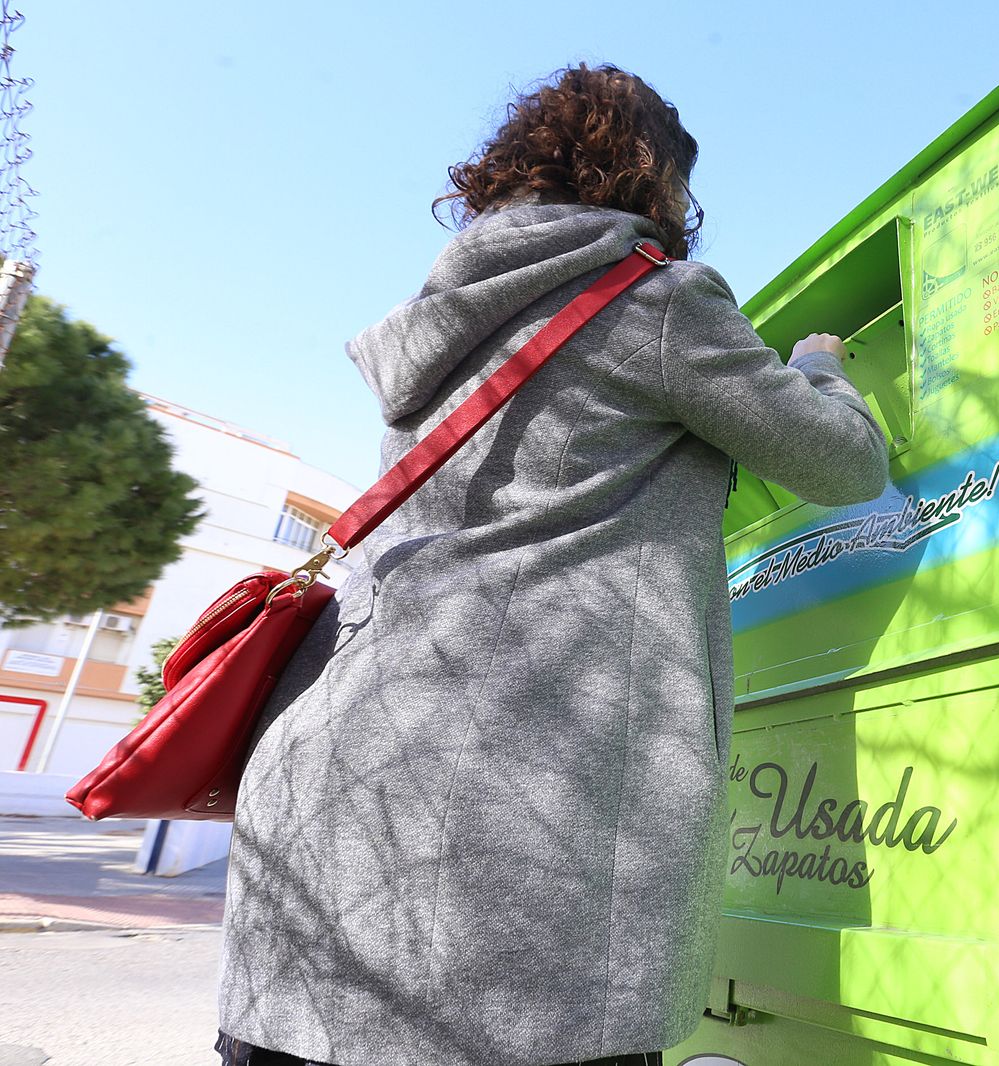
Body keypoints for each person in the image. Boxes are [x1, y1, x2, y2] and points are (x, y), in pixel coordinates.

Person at [215, 63, 889, 1066]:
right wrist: (821, 371)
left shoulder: (438, 332)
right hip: (521, 826)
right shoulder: (654, 301)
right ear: (651, 174)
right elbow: (841, 464)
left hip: (328, 817)